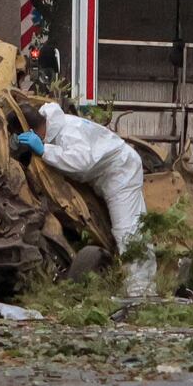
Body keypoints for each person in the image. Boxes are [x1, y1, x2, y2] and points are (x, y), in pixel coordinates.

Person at [17, 103, 156, 297]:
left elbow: (81, 162)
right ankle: (143, 286)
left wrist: (44, 151)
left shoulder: (68, 132)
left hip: (120, 174)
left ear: (32, 130)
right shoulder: (59, 126)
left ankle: (140, 292)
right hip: (114, 173)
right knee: (134, 228)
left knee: (128, 231)